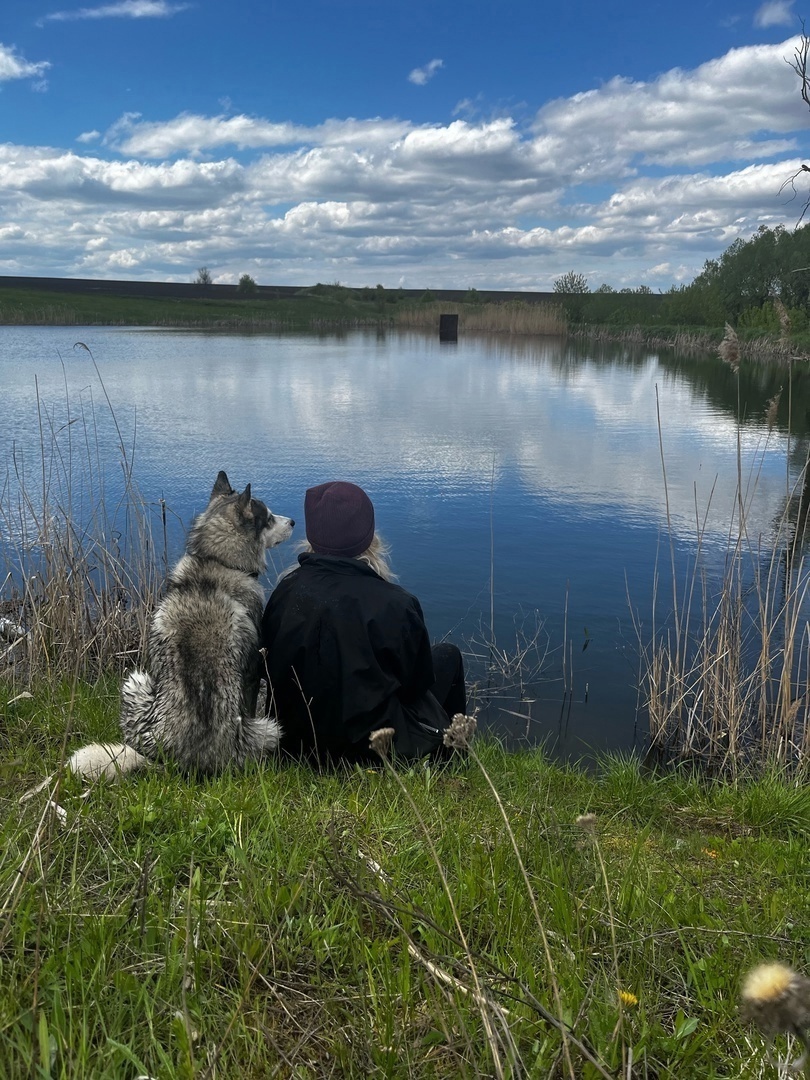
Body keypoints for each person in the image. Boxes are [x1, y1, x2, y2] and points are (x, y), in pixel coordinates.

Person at [260, 481, 468, 765]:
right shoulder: (396, 604)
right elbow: (414, 687)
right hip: (371, 751)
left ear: (312, 535)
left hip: (293, 746)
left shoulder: (285, 591)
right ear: (369, 535)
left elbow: (268, 669)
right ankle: (454, 758)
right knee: (449, 657)